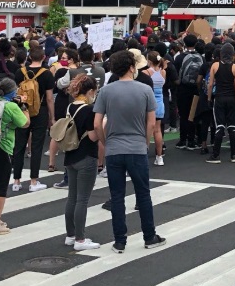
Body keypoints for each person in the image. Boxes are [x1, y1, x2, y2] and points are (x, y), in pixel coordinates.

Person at [93, 50, 163, 253]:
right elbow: (151, 123)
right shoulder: (144, 90)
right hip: (137, 147)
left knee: (117, 196)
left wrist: (106, 142)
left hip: (114, 148)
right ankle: (149, 236)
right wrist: (145, 142)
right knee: (143, 194)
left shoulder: (106, 91)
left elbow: (97, 123)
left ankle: (119, 241)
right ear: (132, 67)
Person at [0, 78, 30, 235]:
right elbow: (25, 123)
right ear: (12, 91)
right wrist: (24, 105)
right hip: (3, 147)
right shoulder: (10, 106)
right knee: (1, 186)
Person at [63, 74, 101, 250]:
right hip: (86, 155)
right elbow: (93, 136)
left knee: (72, 197)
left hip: (71, 154)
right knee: (82, 200)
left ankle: (70, 235)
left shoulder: (70, 106)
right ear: (90, 91)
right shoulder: (89, 109)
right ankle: (80, 239)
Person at [12, 46, 55, 193]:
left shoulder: (19, 72)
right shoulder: (47, 74)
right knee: (36, 146)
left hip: (22, 111)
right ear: (43, 57)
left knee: (19, 146)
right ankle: (33, 181)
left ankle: (16, 181)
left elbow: (15, 93)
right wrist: (52, 117)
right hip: (40, 111)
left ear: (29, 57)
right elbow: (49, 98)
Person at [206, 43, 235, 164]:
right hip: (231, 98)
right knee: (232, 126)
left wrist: (209, 98)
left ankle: (216, 155)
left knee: (219, 126)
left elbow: (210, 84)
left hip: (219, 98)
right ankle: (234, 155)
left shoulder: (215, 65)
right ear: (232, 54)